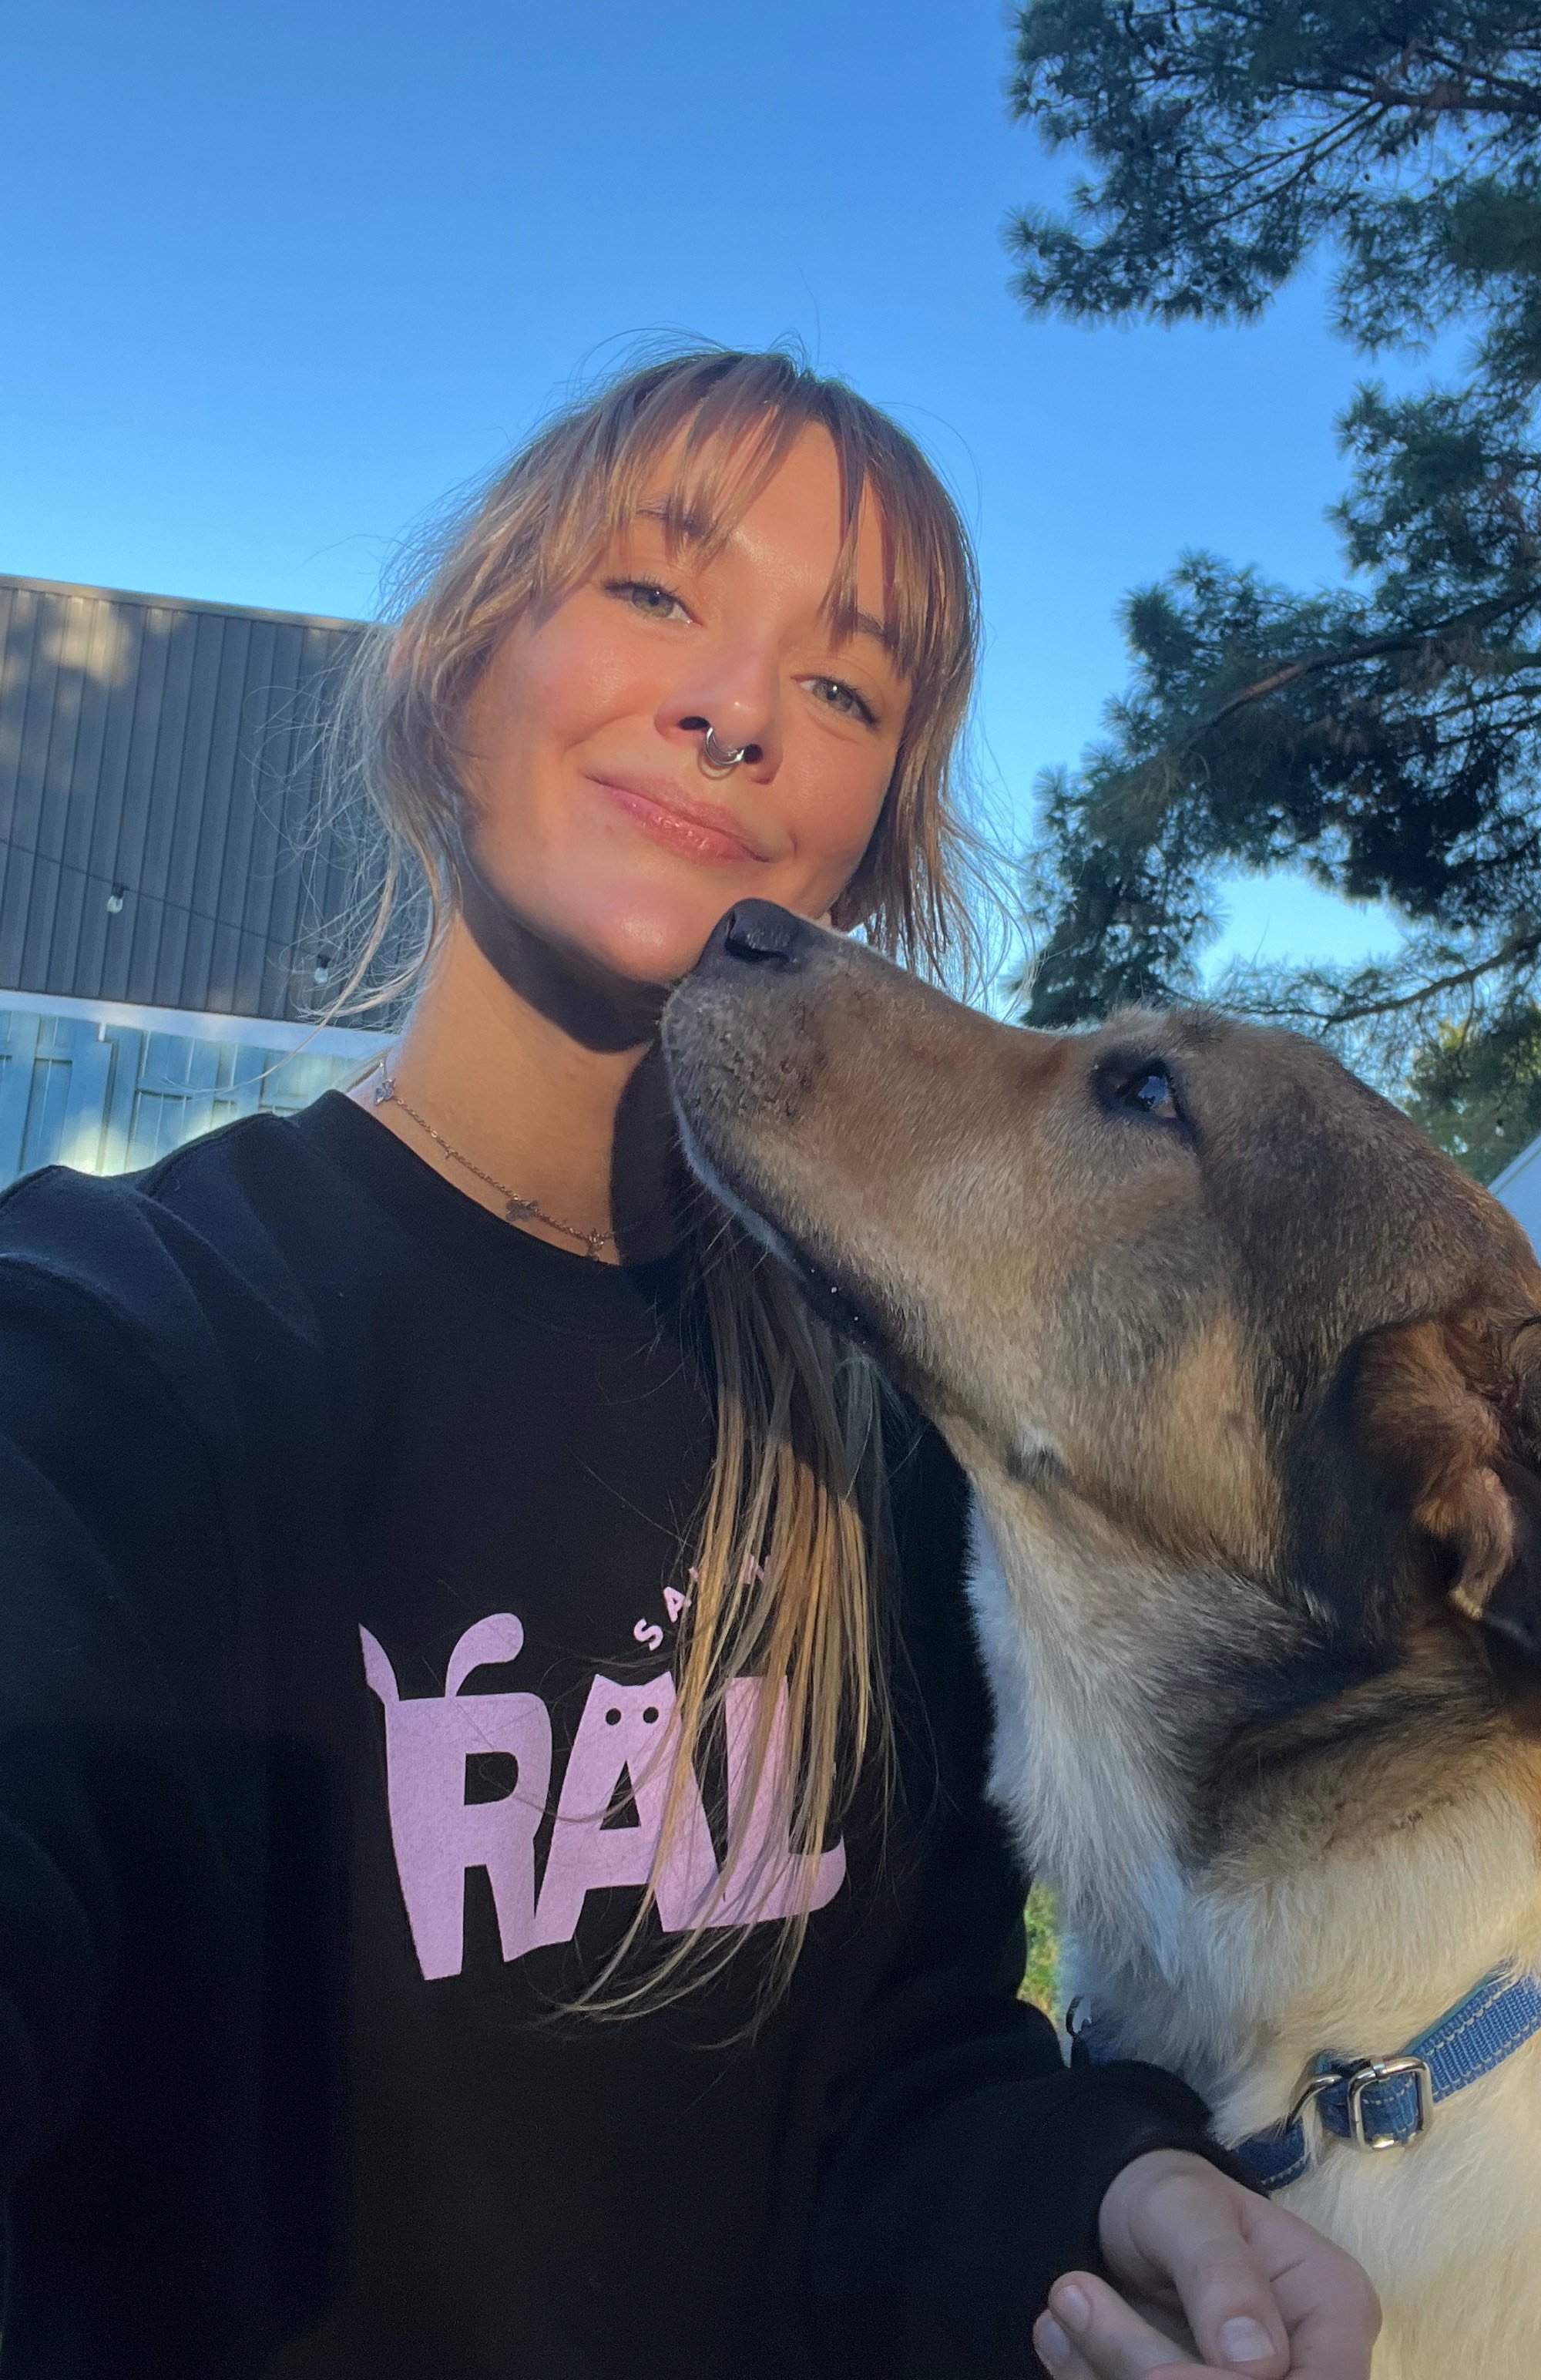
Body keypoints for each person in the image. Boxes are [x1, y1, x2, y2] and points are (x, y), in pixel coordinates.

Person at [0, 350, 1379, 2378]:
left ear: (867, 856)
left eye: (840, 689)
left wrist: (1108, 2194)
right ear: (459, 668)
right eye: (656, 593)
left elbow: (908, 2078)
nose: (735, 707)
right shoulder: (126, 1343)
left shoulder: (879, 1450)